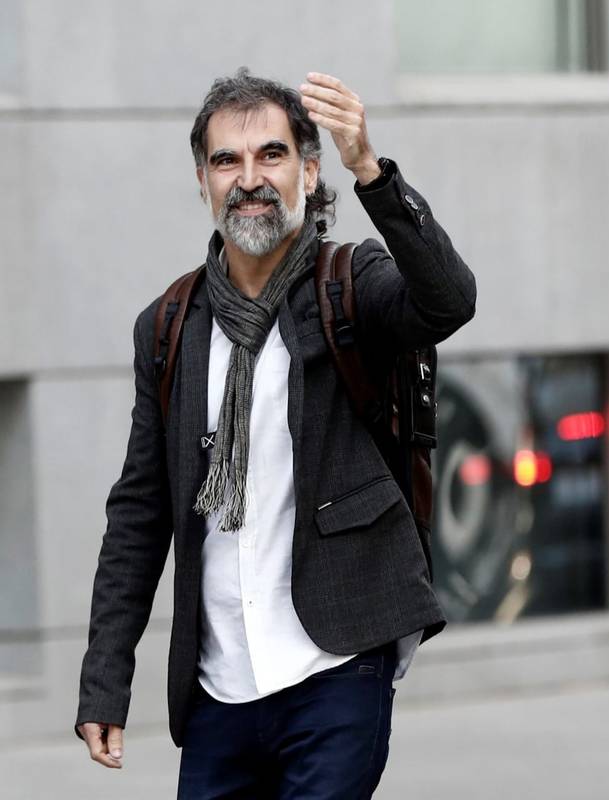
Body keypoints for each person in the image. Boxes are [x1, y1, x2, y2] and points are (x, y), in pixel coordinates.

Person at [74, 67, 475, 798]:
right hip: (219, 688)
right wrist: (106, 677)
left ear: (308, 172)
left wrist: (370, 169)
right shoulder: (169, 326)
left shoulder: (350, 284)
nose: (249, 178)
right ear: (203, 181)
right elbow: (139, 512)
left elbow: (448, 300)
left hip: (335, 665)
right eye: (227, 160)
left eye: (272, 155)